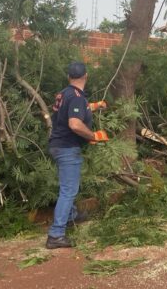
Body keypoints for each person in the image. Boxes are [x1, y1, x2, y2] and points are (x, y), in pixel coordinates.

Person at [46, 61, 109, 249]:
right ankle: (56, 235)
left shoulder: (65, 93)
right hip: (67, 148)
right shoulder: (76, 98)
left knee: (68, 186)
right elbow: (74, 123)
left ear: (69, 77)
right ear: (86, 76)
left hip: (58, 145)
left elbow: (73, 108)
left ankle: (72, 215)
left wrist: (94, 106)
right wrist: (94, 136)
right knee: (69, 190)